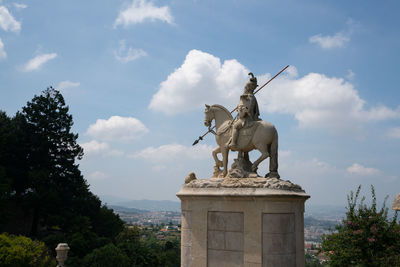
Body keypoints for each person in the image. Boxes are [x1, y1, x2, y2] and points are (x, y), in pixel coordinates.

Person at [229, 73, 261, 150]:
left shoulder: (249, 97)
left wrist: (241, 110)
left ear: (248, 88)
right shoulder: (250, 97)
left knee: (235, 126)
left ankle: (233, 143)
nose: (244, 88)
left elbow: (248, 110)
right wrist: (239, 108)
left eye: (245, 87)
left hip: (248, 118)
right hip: (248, 117)